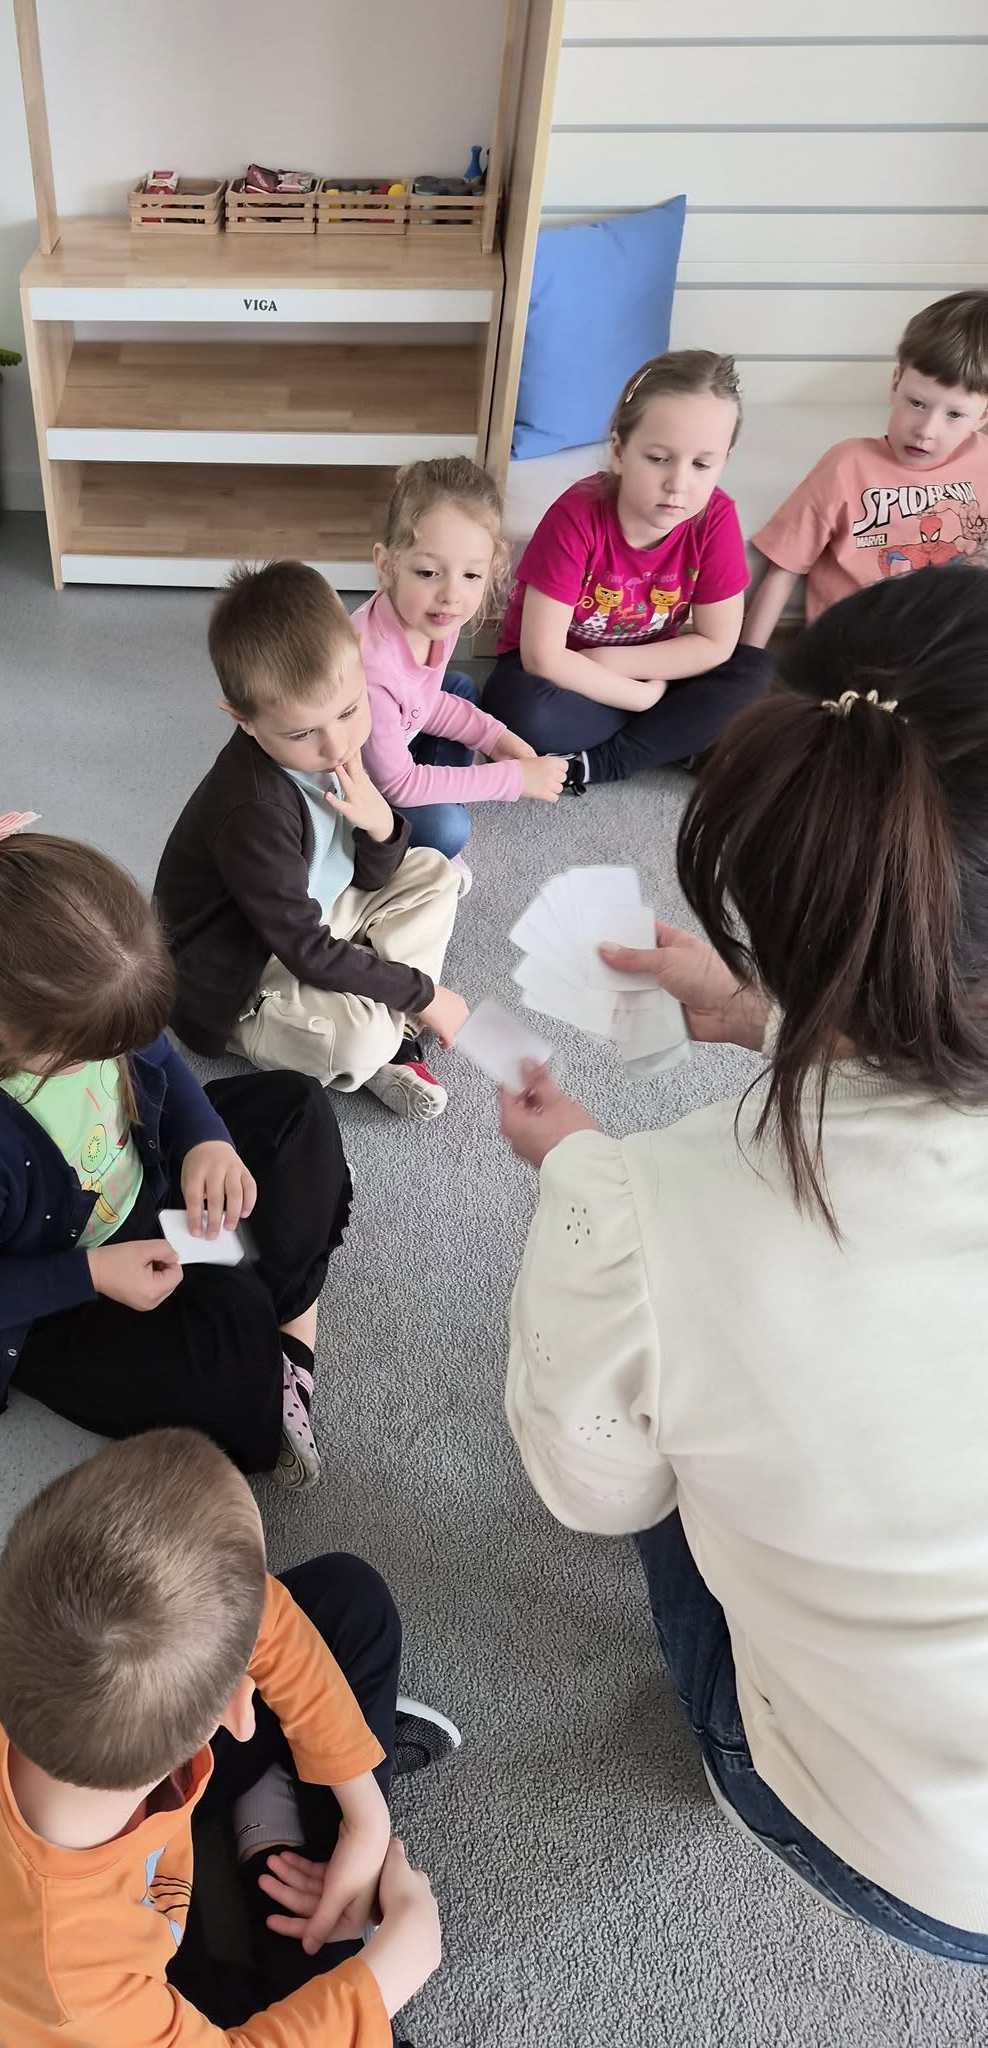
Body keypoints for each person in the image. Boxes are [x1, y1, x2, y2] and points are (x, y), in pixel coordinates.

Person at [498, 568, 988, 1961]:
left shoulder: (652, 1213)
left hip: (910, 1861)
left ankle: (741, 1760)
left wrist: (583, 1186)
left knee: (656, 1437)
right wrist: (779, 1017)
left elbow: (594, 1491)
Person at [0, 1429, 458, 2046]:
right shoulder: (69, 1975)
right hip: (80, 1972)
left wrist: (366, 1819)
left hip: (79, 1822)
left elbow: (261, 1616)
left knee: (350, 1598)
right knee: (327, 2012)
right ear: (240, 1710)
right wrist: (393, 1969)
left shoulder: (23, 1637)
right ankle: (284, 1820)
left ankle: (282, 1811)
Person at [0, 819, 351, 1488]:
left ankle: (267, 1337)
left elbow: (162, 1063)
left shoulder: (93, 1008)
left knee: (297, 1110)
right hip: (59, 1290)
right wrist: (94, 1273)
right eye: (89, 1054)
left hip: (148, 1194)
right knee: (219, 1347)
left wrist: (206, 1140)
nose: (118, 1056)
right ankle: (274, 1334)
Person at [155, 561, 468, 1123]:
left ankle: (381, 1004)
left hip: (310, 914)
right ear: (243, 720)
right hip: (241, 972)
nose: (336, 745)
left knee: (434, 872)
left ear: (358, 656)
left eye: (349, 711)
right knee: (361, 1040)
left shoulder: (330, 739)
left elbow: (369, 873)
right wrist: (423, 994)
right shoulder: (254, 811)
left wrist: (380, 826)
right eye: (303, 733)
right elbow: (304, 949)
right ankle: (386, 1042)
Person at [482, 350, 771, 790]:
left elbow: (716, 643)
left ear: (723, 461)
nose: (678, 484)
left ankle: (601, 762)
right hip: (563, 676)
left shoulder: (716, 517)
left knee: (756, 675)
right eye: (658, 458)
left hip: (646, 664)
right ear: (619, 451)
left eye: (701, 465)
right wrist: (642, 697)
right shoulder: (576, 517)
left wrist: (612, 662)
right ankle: (674, 740)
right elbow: (542, 656)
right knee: (520, 712)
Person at [353, 457, 567, 868]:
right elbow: (396, 784)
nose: (451, 596)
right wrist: (511, 779)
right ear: (386, 565)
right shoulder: (372, 669)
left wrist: (494, 737)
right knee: (447, 830)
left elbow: (424, 701)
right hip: (362, 786)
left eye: (471, 576)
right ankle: (419, 837)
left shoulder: (435, 620)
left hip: (395, 735)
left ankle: (444, 789)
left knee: (461, 689)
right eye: (428, 572)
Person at [742, 290, 988, 646]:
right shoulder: (847, 465)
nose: (926, 430)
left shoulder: (982, 461)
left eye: (954, 414)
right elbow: (785, 566)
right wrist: (749, 659)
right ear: (895, 384)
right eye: (917, 403)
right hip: (857, 642)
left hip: (947, 643)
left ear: (981, 416)